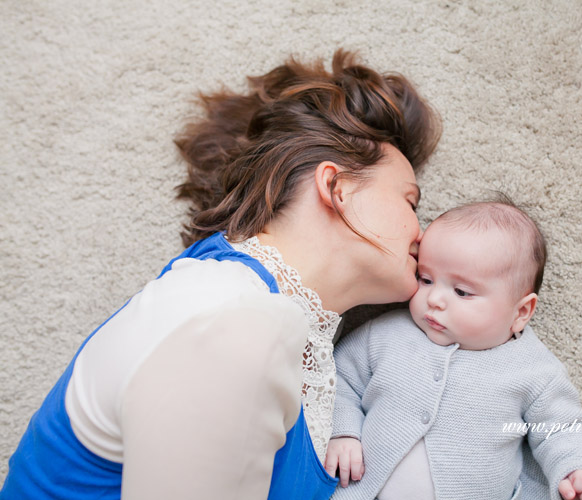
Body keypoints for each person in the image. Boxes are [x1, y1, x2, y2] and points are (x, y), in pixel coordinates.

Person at [0, 49, 441, 500]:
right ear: (336, 188)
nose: (423, 234)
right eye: (411, 202)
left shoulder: (264, 322)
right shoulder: (237, 319)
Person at [326, 200, 582, 500]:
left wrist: (581, 471)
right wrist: (343, 431)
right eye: (426, 279)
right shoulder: (386, 334)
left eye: (461, 291)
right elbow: (336, 379)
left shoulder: (534, 369)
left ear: (521, 313)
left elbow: (563, 428)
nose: (435, 299)